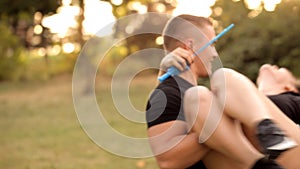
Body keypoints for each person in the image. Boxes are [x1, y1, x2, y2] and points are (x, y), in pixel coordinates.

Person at [145, 14, 298, 169]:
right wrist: (223, 125)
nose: (215, 54)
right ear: (190, 46)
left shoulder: (204, 94)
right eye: (212, 44)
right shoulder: (171, 94)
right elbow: (169, 160)